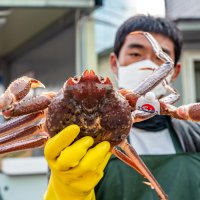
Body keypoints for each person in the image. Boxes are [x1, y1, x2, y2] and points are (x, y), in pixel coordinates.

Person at [44, 15, 200, 200]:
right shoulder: (74, 139)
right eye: (135, 54)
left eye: (159, 57)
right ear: (114, 63)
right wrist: (66, 191)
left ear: (174, 70)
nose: (147, 65)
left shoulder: (194, 136)